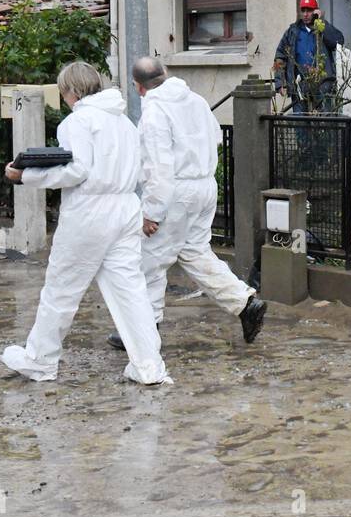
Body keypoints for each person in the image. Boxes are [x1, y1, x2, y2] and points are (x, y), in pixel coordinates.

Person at [0, 62, 170, 385]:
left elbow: (78, 170)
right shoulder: (124, 122)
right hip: (125, 209)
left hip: (90, 210)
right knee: (131, 291)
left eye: (64, 91)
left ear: (73, 91)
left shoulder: (77, 121)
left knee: (61, 288)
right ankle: (149, 365)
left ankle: (41, 360)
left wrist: (27, 175)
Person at [106, 57, 267, 352]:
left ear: (138, 87)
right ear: (166, 75)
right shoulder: (196, 100)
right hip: (205, 185)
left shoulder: (154, 111)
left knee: (148, 261)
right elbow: (217, 138)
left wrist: (151, 212)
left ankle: (144, 331)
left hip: (175, 191)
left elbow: (158, 167)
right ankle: (245, 304)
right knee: (195, 253)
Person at [272, 0, 344, 114]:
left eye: (309, 10)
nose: (305, 14)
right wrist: (280, 82)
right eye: (303, 10)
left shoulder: (322, 29)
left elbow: (339, 42)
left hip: (322, 86)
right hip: (299, 88)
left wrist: (322, 23)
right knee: (301, 125)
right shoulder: (292, 32)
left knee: (326, 125)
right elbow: (280, 55)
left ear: (316, 11)